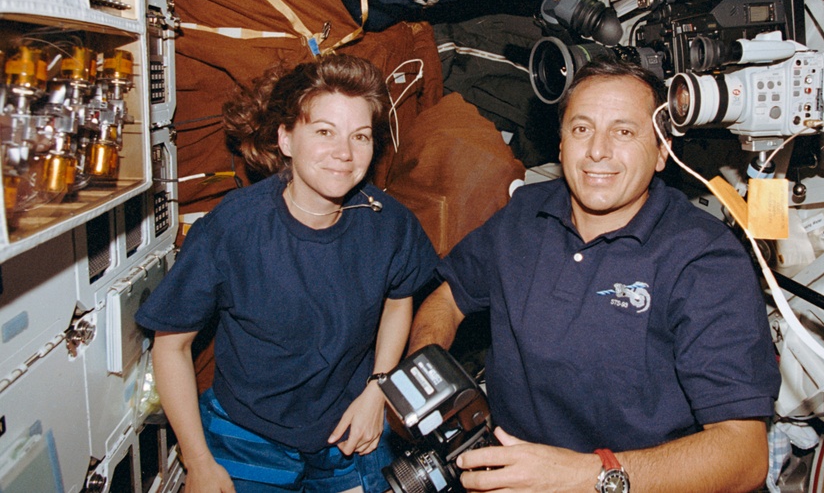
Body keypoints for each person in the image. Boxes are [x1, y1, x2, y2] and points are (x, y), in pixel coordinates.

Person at [408, 56, 781, 493]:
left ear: (662, 151)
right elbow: (449, 298)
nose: (598, 150)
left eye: (624, 132)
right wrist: (426, 384)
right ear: (561, 144)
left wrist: (588, 476)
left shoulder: (704, 258)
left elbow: (744, 455)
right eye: (582, 129)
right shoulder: (526, 214)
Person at [136, 55, 439, 493]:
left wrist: (378, 389)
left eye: (360, 136)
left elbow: (399, 298)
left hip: (349, 426)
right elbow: (172, 346)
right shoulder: (233, 228)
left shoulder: (389, 222)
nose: (344, 154)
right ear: (286, 138)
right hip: (248, 434)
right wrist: (198, 460)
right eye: (324, 132)